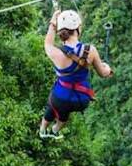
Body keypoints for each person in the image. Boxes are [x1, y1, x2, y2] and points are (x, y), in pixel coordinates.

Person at [40, 9, 113, 139]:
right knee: (65, 112)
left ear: (60, 31)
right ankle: (55, 130)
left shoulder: (55, 53)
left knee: (53, 105)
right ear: (78, 28)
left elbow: (47, 43)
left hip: (60, 99)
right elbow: (103, 73)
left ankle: (43, 129)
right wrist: (107, 68)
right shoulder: (90, 51)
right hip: (81, 99)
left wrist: (53, 22)